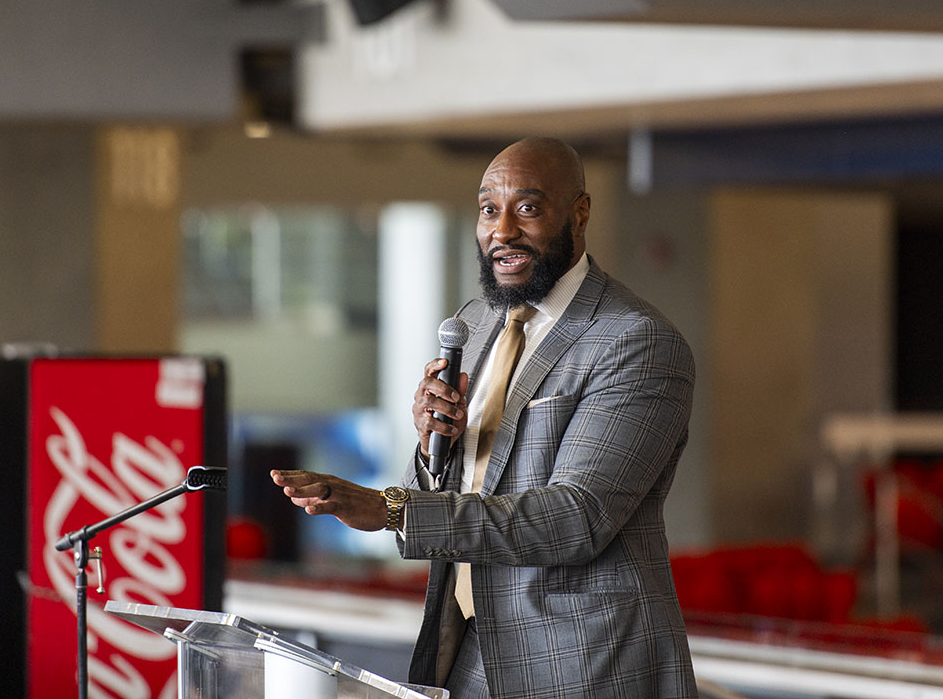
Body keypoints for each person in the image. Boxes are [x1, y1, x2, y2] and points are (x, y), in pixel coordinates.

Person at [271, 137, 697, 698]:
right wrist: (430, 446)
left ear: (580, 212)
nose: (502, 232)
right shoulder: (476, 325)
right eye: (488, 209)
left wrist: (392, 509)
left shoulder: (634, 341)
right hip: (471, 649)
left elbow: (578, 518)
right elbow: (457, 486)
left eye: (527, 208)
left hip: (585, 664)